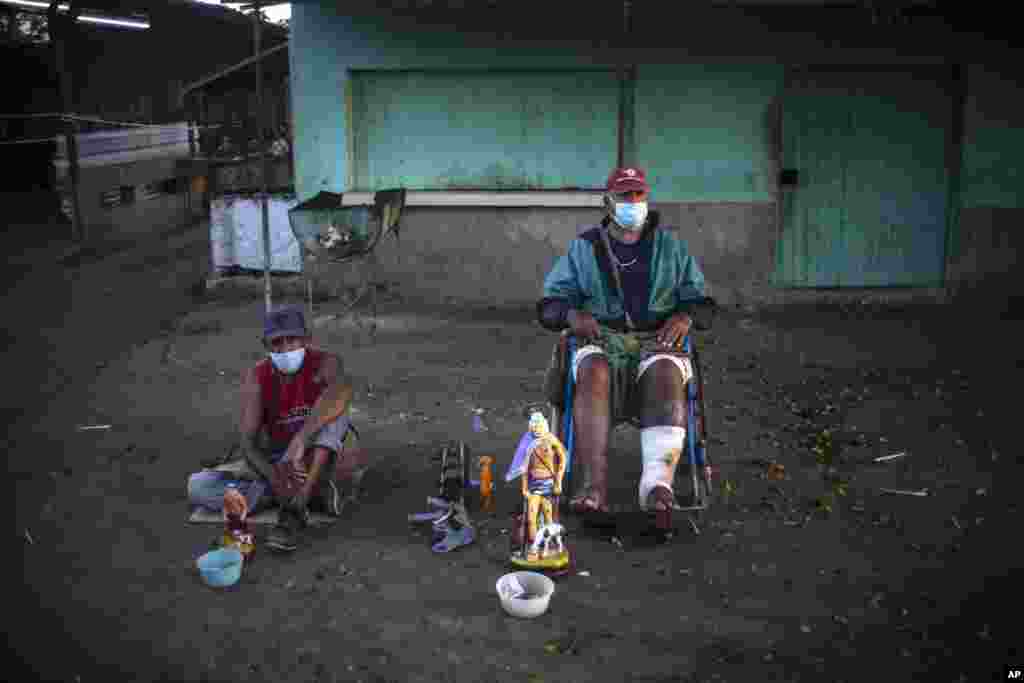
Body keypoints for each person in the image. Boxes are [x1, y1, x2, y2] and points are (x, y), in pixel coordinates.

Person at [536, 166, 706, 527]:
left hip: (655, 338)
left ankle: (658, 488)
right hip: (602, 339)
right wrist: (571, 316)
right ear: (608, 203)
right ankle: (593, 487)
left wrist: (685, 316)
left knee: (665, 371)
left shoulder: (671, 248)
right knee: (593, 370)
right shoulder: (585, 248)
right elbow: (548, 305)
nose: (632, 203)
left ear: (647, 199)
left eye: (638, 195)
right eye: (624, 196)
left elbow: (702, 301)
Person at [187, 304, 361, 552]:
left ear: (307, 338)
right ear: (266, 345)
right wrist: (274, 477)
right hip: (281, 462)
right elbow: (247, 441)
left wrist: (300, 440)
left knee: (336, 415)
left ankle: (298, 503)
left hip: (325, 453)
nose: (285, 348)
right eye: (277, 343)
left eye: (292, 340)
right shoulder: (257, 376)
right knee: (198, 486)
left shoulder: (327, 362)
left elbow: (339, 393)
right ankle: (302, 495)